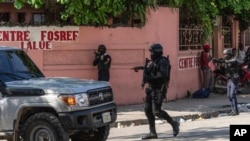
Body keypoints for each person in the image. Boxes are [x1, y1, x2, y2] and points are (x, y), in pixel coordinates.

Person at [131, 43, 179, 140]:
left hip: (159, 89)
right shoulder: (154, 61)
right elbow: (150, 70)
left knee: (157, 111)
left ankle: (173, 122)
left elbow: (162, 76)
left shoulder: (163, 62)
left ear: (157, 52)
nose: (151, 54)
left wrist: (149, 78)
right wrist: (141, 68)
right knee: (148, 110)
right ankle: (152, 132)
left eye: (152, 52)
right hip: (151, 89)